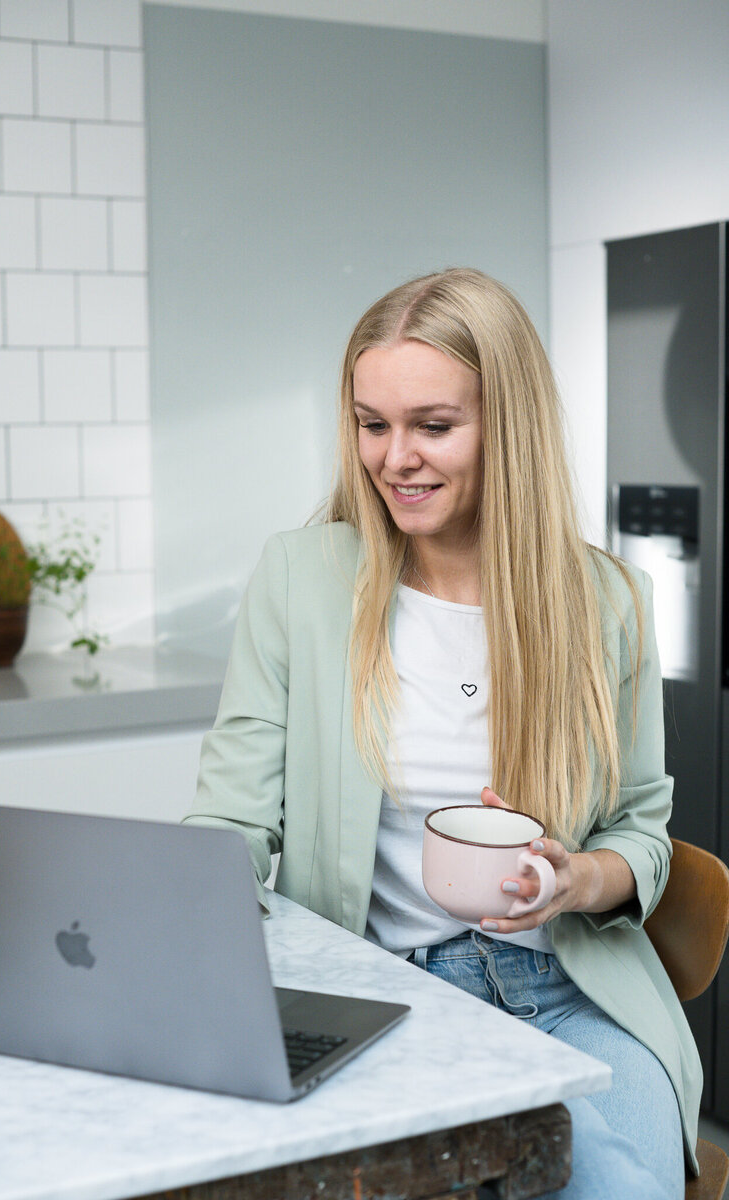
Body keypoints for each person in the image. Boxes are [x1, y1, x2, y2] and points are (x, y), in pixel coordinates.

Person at [186, 267, 700, 1199]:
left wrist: (580, 875)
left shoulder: (608, 601)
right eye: (371, 423)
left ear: (508, 425)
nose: (394, 458)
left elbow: (642, 831)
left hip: (577, 995)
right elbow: (230, 824)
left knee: (618, 1186)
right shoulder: (302, 578)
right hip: (393, 997)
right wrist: (176, 922)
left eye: (433, 426)